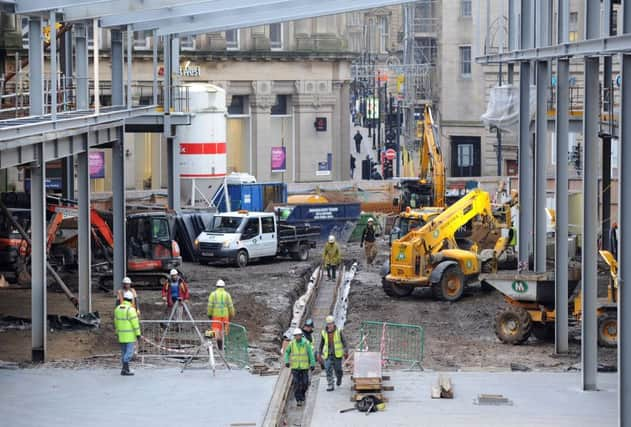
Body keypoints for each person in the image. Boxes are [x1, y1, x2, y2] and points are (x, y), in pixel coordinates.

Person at [284, 328, 316, 407]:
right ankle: (298, 399)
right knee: (296, 383)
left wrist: (312, 364)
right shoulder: (292, 344)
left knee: (305, 383)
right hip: (295, 368)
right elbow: (287, 352)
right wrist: (287, 361)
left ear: (301, 335)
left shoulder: (306, 343)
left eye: (298, 335)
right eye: (296, 336)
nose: (297, 337)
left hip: (304, 367)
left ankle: (302, 394)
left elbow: (310, 354)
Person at [317, 315, 348, 391]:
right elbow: (321, 344)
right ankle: (330, 384)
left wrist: (346, 351)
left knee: (338, 370)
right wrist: (319, 353)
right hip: (328, 354)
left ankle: (339, 378)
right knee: (327, 369)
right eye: (328, 324)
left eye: (331, 323)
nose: (330, 325)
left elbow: (344, 342)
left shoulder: (339, 331)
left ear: (334, 323)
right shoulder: (324, 332)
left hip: (337, 355)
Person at [114, 290, 142, 376]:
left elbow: (116, 321)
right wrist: (138, 334)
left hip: (121, 335)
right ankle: (125, 368)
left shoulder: (117, 309)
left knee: (123, 352)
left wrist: (117, 332)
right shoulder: (131, 310)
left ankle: (124, 369)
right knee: (129, 353)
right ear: (130, 300)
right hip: (129, 336)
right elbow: (135, 323)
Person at [207, 279, 235, 350]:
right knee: (224, 331)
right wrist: (232, 314)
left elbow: (210, 306)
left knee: (216, 331)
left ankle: (219, 346)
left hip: (216, 316)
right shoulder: (227, 294)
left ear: (217, 286)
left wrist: (209, 315)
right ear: (223, 286)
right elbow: (230, 306)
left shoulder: (213, 294)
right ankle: (223, 346)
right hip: (225, 316)